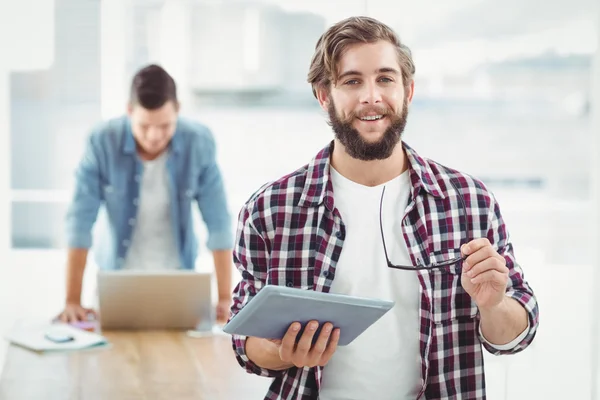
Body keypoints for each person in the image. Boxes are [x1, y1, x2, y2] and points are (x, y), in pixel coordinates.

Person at [229, 16, 539, 400]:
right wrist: (282, 350)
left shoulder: (468, 202)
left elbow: (515, 336)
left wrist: (493, 306)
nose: (371, 96)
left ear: (408, 91)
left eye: (385, 79)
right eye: (352, 81)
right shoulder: (270, 211)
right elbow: (245, 342)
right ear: (324, 95)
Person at [58, 64, 234, 324]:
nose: (154, 136)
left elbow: (218, 223)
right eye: (144, 126)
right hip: (117, 283)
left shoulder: (199, 142)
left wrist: (224, 298)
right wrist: (72, 301)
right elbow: (79, 223)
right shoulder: (102, 142)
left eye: (165, 126)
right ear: (129, 111)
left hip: (179, 282)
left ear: (178, 110)